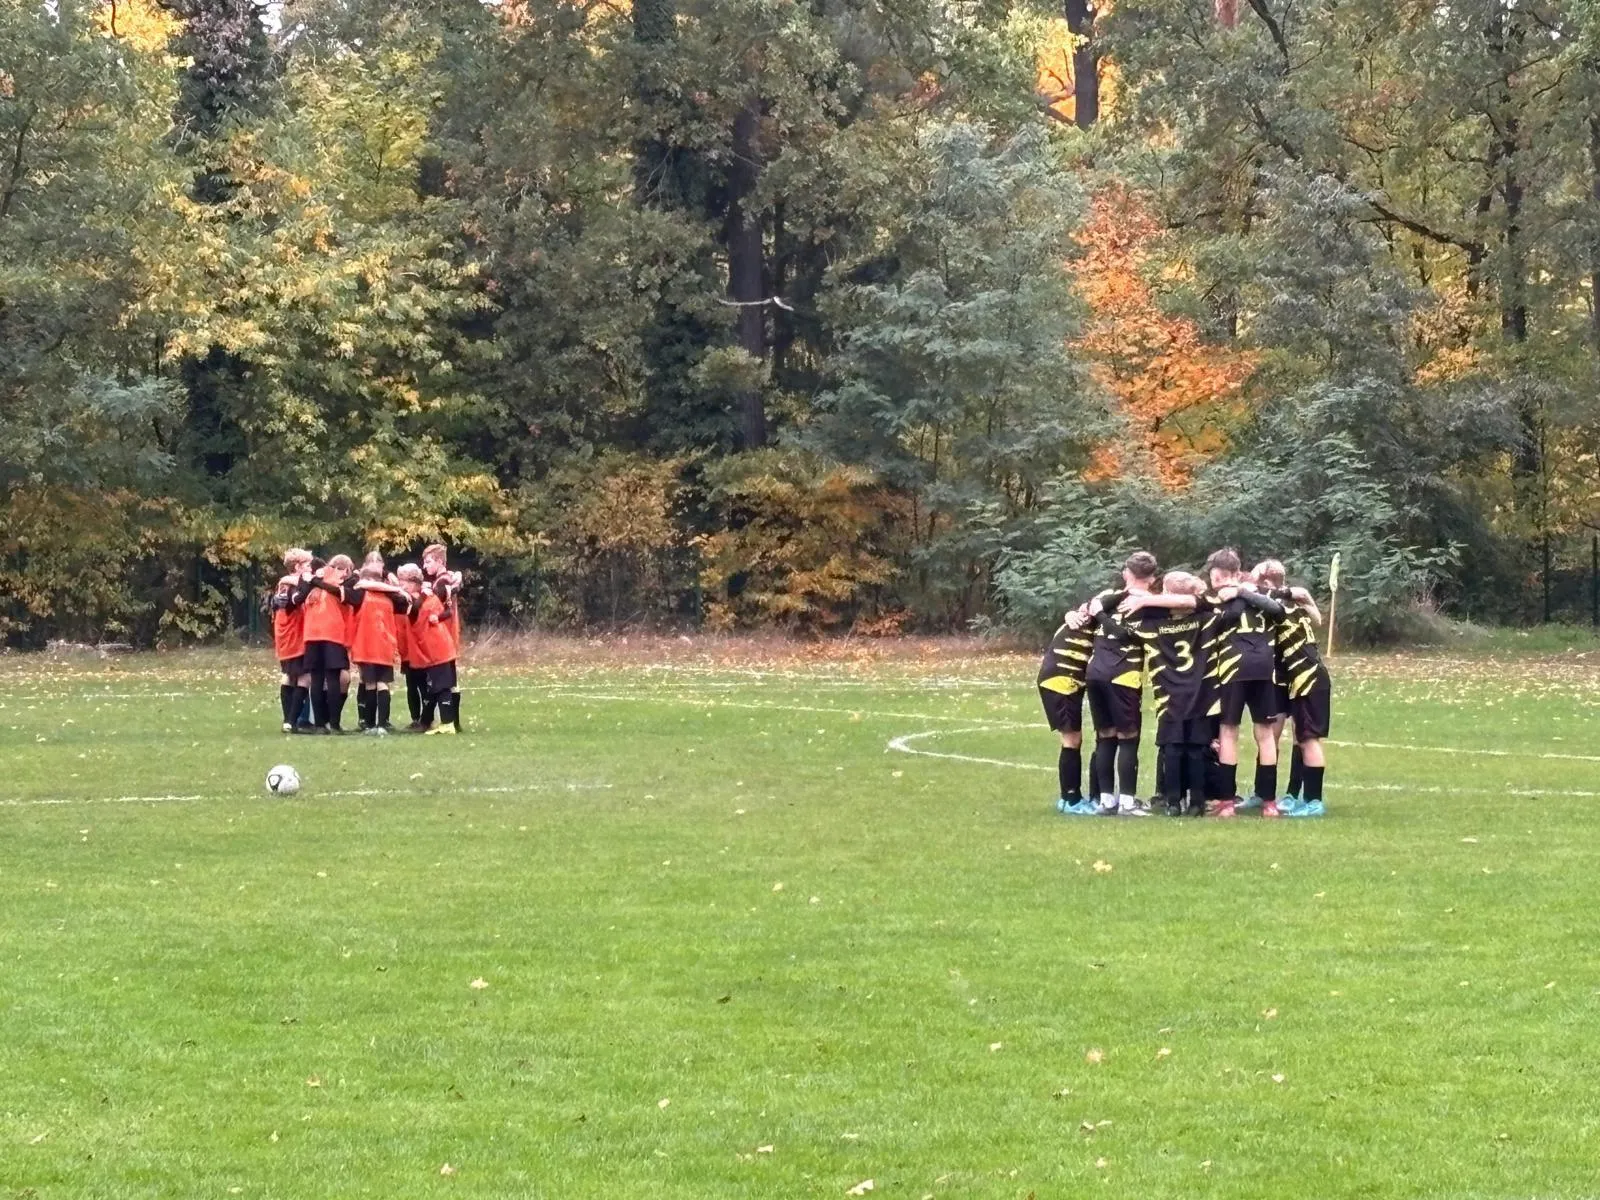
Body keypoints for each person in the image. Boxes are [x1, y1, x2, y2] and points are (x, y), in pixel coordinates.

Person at [1117, 570, 1215, 817]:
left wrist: (1145, 601)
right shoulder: (1207, 618)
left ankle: (1172, 802)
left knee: (1172, 748)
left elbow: (1126, 626)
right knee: (1196, 749)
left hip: (1168, 695)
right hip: (1200, 694)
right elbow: (1205, 602)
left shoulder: (1153, 624)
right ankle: (1197, 803)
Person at [1202, 548, 1289, 818]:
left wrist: (1238, 592)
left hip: (1233, 668)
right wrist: (1245, 590)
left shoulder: (1217, 598)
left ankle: (1227, 803)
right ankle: (1269, 803)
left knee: (1228, 731)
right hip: (1263, 668)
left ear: (1219, 575)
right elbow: (1279, 611)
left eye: (1213, 576)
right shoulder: (1260, 595)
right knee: (1265, 733)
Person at [1073, 551, 1159, 817]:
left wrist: (1096, 612)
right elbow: (1124, 634)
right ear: (1152, 578)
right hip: (1123, 674)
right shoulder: (1152, 604)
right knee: (1128, 737)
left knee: (1105, 736)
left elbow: (1090, 610)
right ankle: (1126, 803)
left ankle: (1107, 801)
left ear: (1126, 573)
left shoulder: (1107, 598)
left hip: (1095, 672)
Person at [1257, 562, 1332, 818]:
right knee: (1302, 738)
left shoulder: (1279, 610)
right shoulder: (1296, 607)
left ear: (1268, 584)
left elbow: (1299, 597)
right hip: (1300, 680)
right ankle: (1299, 796)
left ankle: (1313, 800)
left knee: (1308, 740)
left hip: (1308, 679)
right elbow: (1313, 611)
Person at [1037, 611, 1100, 816]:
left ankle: (1069, 798)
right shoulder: (1092, 616)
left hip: (1066, 680)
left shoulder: (1087, 617)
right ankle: (1071, 799)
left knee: (1073, 738)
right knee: (1071, 739)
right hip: (1062, 680)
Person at [348, 558, 415, 734]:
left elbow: (356, 586)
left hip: (366, 646)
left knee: (370, 684)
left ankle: (370, 724)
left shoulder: (361, 594)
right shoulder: (390, 597)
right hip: (385, 645)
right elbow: (405, 603)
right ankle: (383, 723)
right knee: (383, 683)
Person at [297, 555, 358, 734]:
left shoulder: (312, 579)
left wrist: (312, 579)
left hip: (311, 634)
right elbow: (349, 593)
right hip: (333, 633)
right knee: (333, 679)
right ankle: (335, 724)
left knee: (316, 679)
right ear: (344, 569)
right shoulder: (340, 581)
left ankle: (319, 725)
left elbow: (301, 593)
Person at [406, 562, 461, 735]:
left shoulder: (419, 602)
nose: (402, 587)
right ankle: (429, 721)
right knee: (436, 687)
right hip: (439, 647)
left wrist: (424, 594)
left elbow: (415, 608)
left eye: (405, 583)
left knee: (442, 687)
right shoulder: (430, 597)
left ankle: (448, 723)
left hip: (437, 649)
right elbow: (447, 611)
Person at [421, 544, 464, 732]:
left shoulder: (442, 582)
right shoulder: (446, 579)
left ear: (439, 561)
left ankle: (447, 723)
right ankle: (453, 723)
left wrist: (436, 617)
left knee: (442, 682)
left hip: (443, 635)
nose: (425, 566)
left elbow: (445, 610)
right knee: (451, 682)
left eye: (428, 561)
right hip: (448, 634)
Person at [270, 548, 313, 733]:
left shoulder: (284, 583)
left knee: (289, 675)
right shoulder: (291, 583)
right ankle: (291, 720)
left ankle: (288, 721)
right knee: (304, 677)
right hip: (294, 636)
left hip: (285, 635)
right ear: (297, 567)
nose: (310, 568)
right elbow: (295, 600)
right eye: (307, 565)